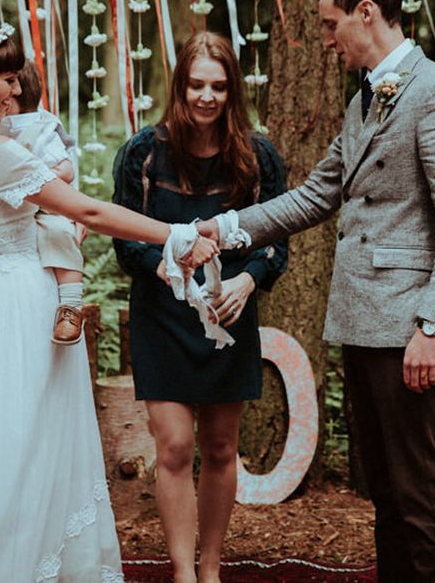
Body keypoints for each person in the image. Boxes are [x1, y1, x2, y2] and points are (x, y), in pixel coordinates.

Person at [199, 0, 435, 582]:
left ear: (366, 13)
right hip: (362, 320)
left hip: (409, 329)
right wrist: (221, 230)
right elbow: (314, 196)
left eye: (331, 24)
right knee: (384, 488)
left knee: (419, 491)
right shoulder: (366, 99)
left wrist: (432, 327)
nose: (326, 39)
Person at [0, 18, 218, 582]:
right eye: (6, 79)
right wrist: (176, 235)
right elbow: (89, 211)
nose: (15, 91)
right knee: (31, 448)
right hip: (23, 309)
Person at [112, 31, 287, 583]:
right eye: (196, 85)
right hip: (162, 316)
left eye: (217, 86)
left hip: (227, 316)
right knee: (175, 446)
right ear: (180, 87)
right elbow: (124, 238)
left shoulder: (258, 156)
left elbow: (277, 239)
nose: (206, 97)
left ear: (232, 91)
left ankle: (210, 569)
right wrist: (158, 264)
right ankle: (183, 573)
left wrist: (250, 281)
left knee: (219, 445)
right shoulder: (143, 152)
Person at [0, 59, 87, 344]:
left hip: (46, 205)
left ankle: (70, 306)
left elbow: (66, 169)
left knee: (60, 234)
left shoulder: (41, 127)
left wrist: (36, 180)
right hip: (9, 211)